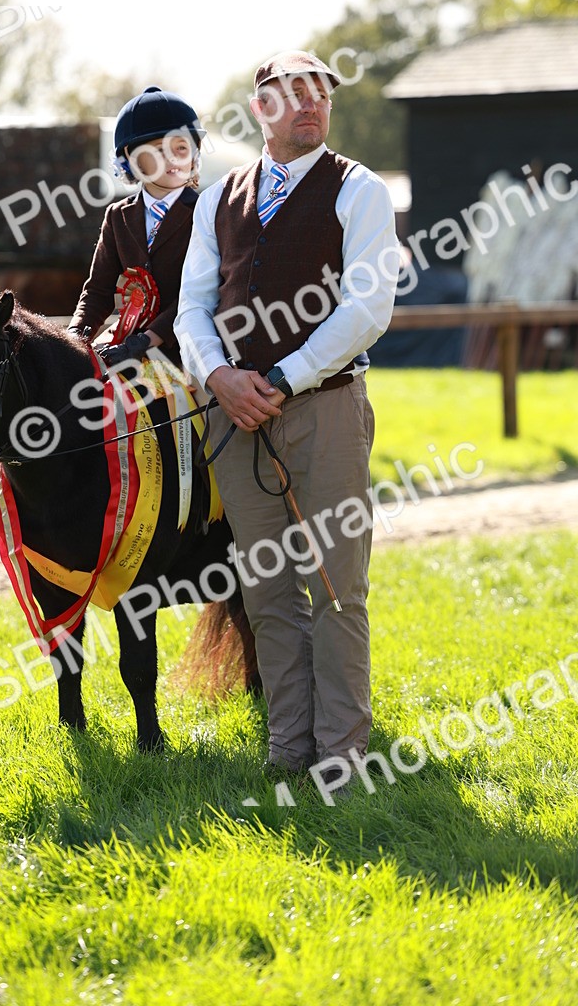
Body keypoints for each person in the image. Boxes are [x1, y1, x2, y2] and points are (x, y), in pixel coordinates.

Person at [175, 49, 399, 779]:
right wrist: (218, 376)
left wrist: (280, 376)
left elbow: (368, 306)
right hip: (232, 417)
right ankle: (287, 749)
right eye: (292, 93)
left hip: (325, 410)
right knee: (267, 589)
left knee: (337, 587)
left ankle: (341, 754)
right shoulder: (217, 198)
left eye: (321, 94)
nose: (311, 104)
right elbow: (191, 309)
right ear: (261, 107)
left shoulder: (358, 190)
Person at [68, 86, 205, 367]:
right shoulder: (118, 216)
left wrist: (146, 340)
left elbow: (199, 291)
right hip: (127, 349)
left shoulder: (207, 211)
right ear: (129, 156)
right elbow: (98, 292)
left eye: (181, 148)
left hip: (189, 353)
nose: (173, 158)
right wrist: (72, 340)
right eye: (157, 150)